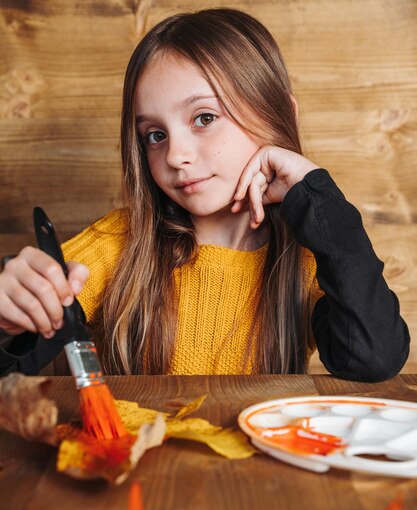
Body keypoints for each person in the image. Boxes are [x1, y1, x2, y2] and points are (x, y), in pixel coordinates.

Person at [0, 8, 410, 381]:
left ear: (279, 113)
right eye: (154, 135)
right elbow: (15, 360)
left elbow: (373, 359)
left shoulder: (304, 258)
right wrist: (9, 315)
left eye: (204, 118)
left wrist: (316, 193)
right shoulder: (119, 245)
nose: (176, 155)